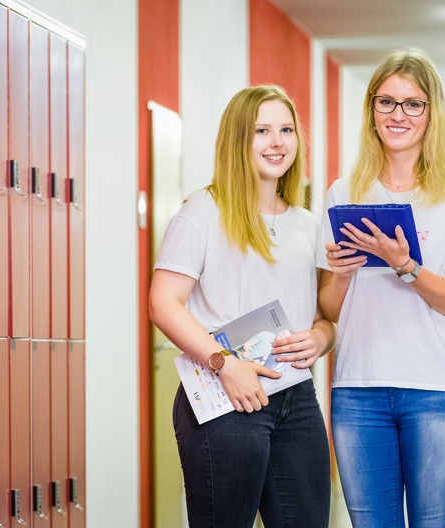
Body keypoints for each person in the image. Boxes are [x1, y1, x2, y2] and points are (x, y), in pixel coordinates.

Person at [318, 47, 445, 527]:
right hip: (358, 391)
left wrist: (407, 266)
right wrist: (345, 271)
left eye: (413, 103)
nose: (398, 114)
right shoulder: (342, 193)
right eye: (386, 102)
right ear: (371, 110)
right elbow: (329, 309)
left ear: (432, 113)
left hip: (437, 392)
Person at [149, 85, 334, 528]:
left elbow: (325, 315)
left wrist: (322, 337)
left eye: (287, 130)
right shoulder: (203, 212)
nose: (278, 142)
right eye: (262, 131)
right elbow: (163, 302)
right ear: (238, 140)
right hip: (225, 397)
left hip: (295, 398)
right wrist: (224, 363)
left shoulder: (307, 225)